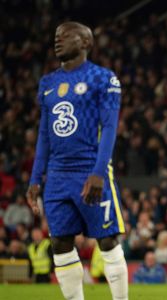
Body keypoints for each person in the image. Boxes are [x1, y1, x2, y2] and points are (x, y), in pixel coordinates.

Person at [26, 22, 128, 300]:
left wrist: (98, 172)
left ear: (85, 42)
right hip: (57, 176)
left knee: (107, 239)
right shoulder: (48, 82)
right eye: (56, 35)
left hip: (90, 169)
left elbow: (109, 128)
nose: (57, 40)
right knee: (60, 242)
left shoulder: (102, 78)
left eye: (66, 35)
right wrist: (36, 178)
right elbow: (44, 135)